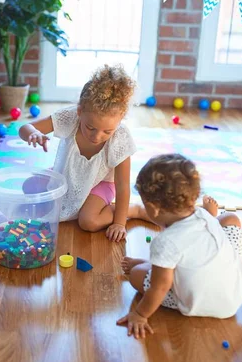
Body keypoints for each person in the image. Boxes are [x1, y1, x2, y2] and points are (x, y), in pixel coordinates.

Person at [117, 154, 242, 339]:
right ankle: (159, 266)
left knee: (136, 274)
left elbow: (160, 288)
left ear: (153, 208)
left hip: (198, 303)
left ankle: (154, 267)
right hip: (236, 292)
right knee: (229, 219)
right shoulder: (202, 215)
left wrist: (140, 314)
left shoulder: (165, 242)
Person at [18, 64, 148, 242]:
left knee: (89, 221)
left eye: (107, 131)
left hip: (100, 183)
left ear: (120, 119)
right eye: (90, 127)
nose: (97, 136)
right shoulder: (70, 117)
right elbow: (25, 128)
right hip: (67, 174)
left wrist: (119, 222)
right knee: (29, 187)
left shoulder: (120, 138)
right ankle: (77, 201)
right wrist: (33, 133)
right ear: (80, 111)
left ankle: (134, 210)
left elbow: (123, 185)